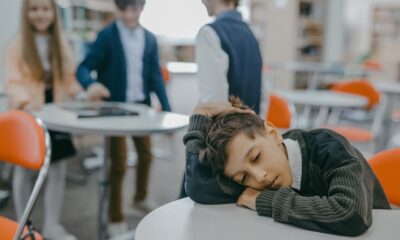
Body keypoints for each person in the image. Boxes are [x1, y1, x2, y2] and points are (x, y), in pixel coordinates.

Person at [183, 99, 391, 236]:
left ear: (273, 133)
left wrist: (265, 201)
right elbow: (199, 188)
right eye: (243, 178)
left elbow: (350, 214)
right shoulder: (256, 172)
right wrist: (199, 118)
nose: (260, 177)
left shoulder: (329, 148)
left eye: (256, 157)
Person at [76, 0, 171, 236]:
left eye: (136, 8)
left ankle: (140, 197)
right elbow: (83, 67)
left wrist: (167, 107)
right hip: (115, 109)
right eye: (126, 9)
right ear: (118, 9)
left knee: (146, 155)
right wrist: (91, 84)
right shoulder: (106, 36)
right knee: (118, 163)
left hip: (142, 108)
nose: (131, 14)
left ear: (142, 8)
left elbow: (155, 76)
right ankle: (115, 216)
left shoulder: (149, 39)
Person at [3, 0, 84, 239]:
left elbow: (68, 78)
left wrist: (83, 92)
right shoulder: (16, 46)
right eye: (34, 8)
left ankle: (52, 225)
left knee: (57, 168)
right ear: (27, 13)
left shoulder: (61, 43)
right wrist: (27, 103)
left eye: (45, 8)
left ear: (53, 13)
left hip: (55, 115)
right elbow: (12, 82)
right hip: (28, 116)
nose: (40, 13)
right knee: (24, 170)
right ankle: (22, 225)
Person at [196, 0, 262, 113]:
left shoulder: (209, 33)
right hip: (252, 127)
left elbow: (213, 103)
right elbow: (261, 92)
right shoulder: (250, 34)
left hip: (226, 128)